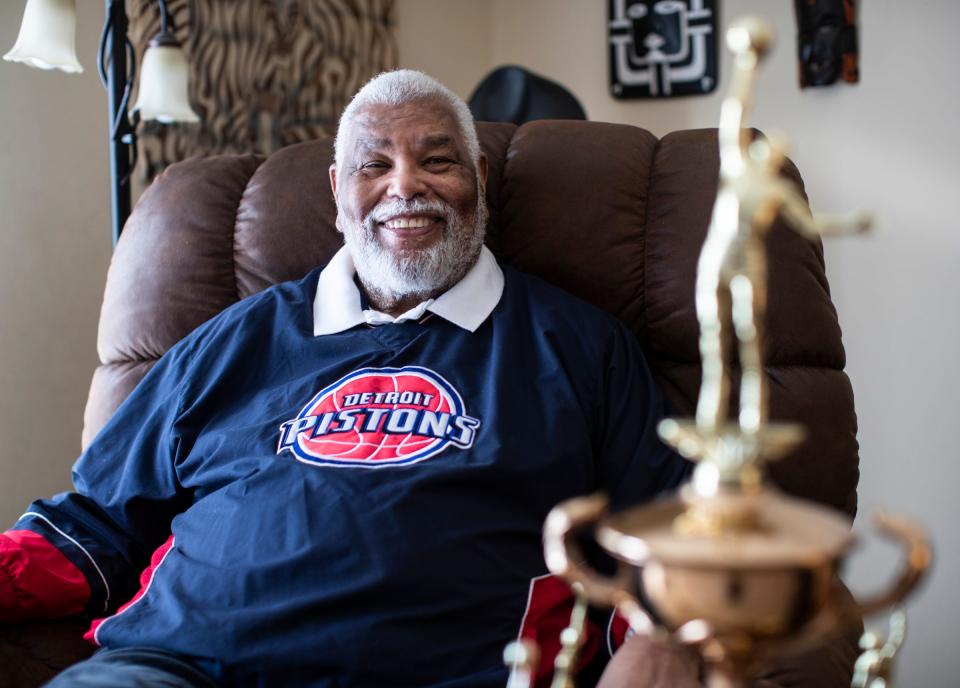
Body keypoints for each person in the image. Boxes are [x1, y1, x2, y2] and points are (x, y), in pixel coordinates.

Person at [0, 70, 695, 686]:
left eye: (437, 159)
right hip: (175, 667)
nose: (405, 186)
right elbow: (91, 524)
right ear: (339, 193)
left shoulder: (578, 345)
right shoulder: (230, 341)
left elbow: (671, 532)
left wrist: (662, 636)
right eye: (374, 164)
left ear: (479, 179)